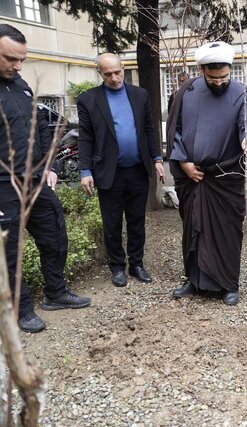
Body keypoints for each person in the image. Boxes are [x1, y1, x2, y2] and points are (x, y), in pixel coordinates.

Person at [0, 24, 91, 333]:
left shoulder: (21, 85)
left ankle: (55, 293)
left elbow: (41, 125)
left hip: (37, 179)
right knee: (10, 252)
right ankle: (21, 310)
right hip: (4, 186)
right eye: (10, 58)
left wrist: (50, 166)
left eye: (21, 59)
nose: (17, 65)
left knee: (54, 236)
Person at [167, 41, 247, 305]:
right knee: (192, 229)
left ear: (231, 70)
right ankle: (193, 280)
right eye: (212, 77)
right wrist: (183, 162)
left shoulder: (242, 93)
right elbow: (176, 129)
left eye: (224, 77)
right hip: (192, 177)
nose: (219, 83)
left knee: (228, 231)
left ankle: (228, 284)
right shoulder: (187, 91)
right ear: (202, 71)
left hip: (225, 177)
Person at [77, 53, 165, 287]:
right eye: (108, 74)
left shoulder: (139, 95)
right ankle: (117, 267)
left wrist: (157, 158)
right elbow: (85, 137)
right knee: (112, 223)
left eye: (117, 72)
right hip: (109, 173)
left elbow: (149, 128)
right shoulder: (89, 99)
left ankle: (137, 263)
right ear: (100, 73)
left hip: (137, 169)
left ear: (123, 68)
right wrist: (85, 170)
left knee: (137, 220)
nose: (114, 78)